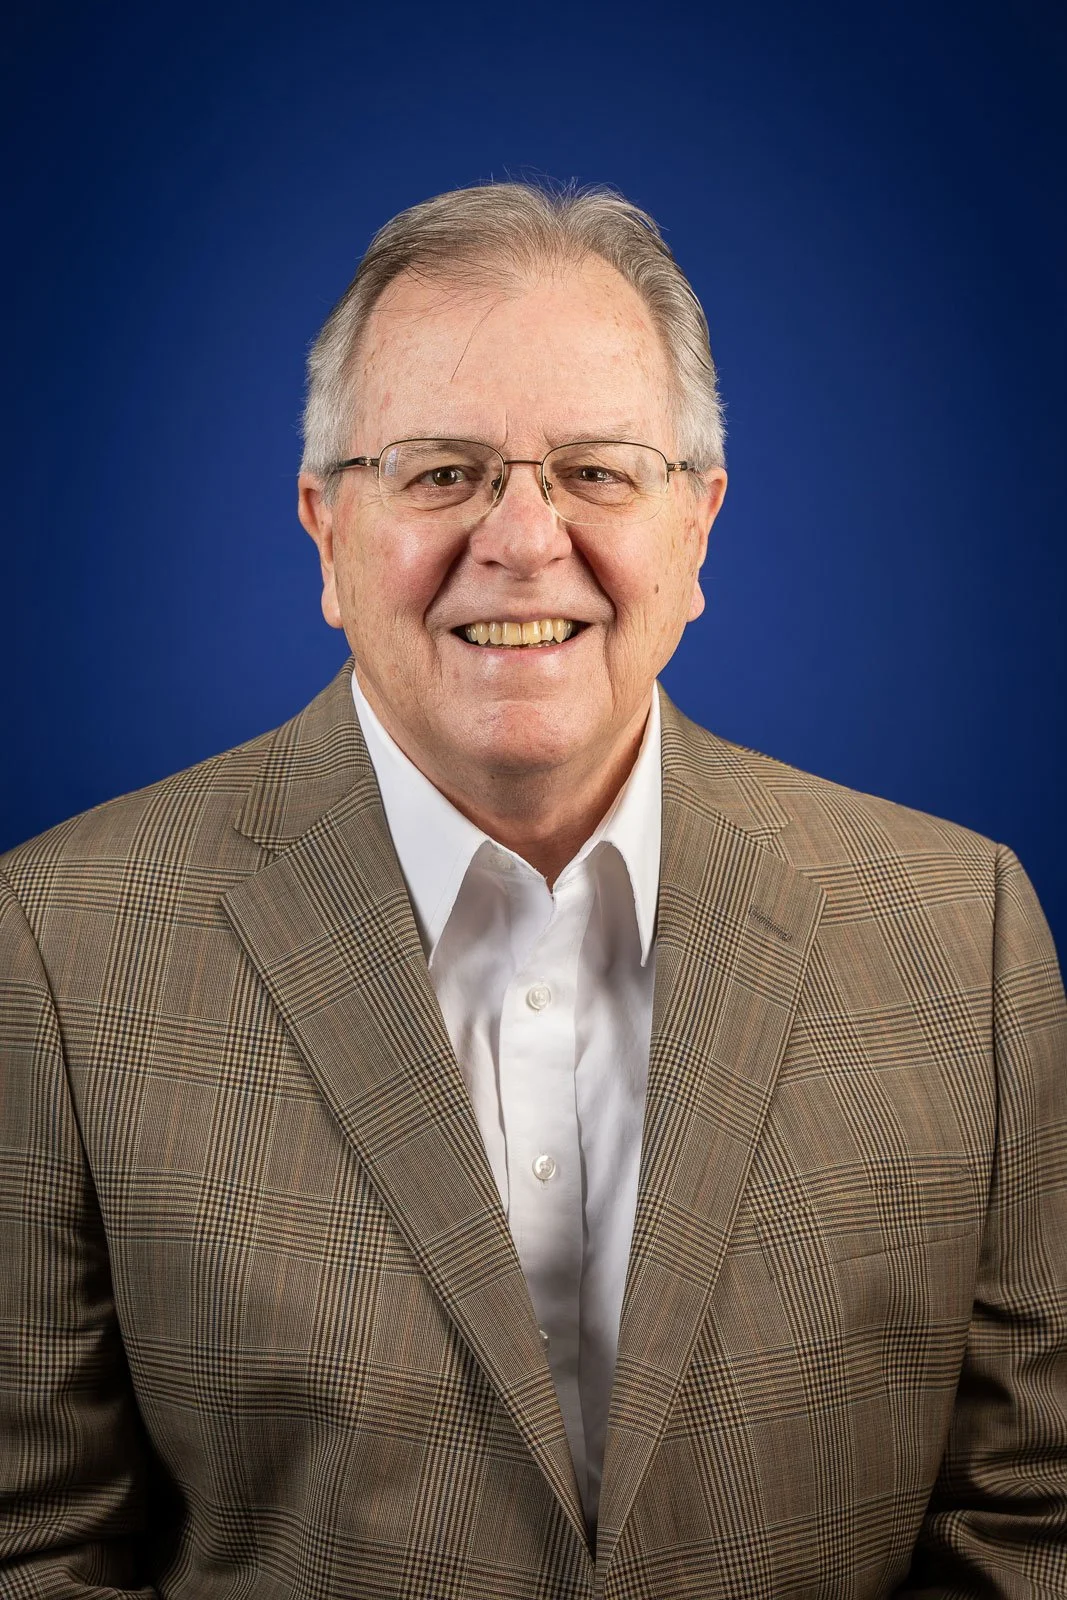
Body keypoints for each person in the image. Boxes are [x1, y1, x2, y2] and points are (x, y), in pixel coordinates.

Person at [1, 181, 1064, 1600]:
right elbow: (37, 1547)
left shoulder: (965, 931)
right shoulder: (58, 948)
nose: (520, 537)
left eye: (596, 471)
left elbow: (1031, 1521)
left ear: (697, 529)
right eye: (441, 471)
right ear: (325, 532)